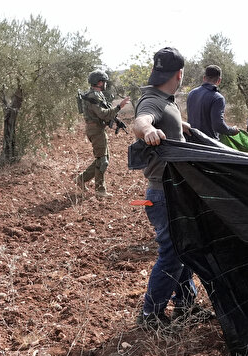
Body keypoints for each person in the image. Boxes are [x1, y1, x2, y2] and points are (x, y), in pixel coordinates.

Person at [131, 47, 199, 329]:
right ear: (180, 74)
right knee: (172, 253)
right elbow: (141, 120)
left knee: (186, 249)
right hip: (163, 193)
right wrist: (147, 131)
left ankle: (185, 307)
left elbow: (160, 117)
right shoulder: (153, 100)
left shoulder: (166, 101)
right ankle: (150, 315)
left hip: (174, 190)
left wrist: (179, 127)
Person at [76, 70, 130, 198]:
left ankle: (81, 179)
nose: (105, 84)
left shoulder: (96, 94)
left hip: (97, 129)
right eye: (104, 81)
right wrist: (119, 107)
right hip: (96, 130)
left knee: (103, 159)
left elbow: (103, 112)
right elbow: (102, 114)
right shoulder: (94, 95)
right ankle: (100, 190)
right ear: (99, 82)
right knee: (102, 160)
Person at [185, 65, 239, 140]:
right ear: (219, 80)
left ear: (204, 78)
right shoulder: (217, 98)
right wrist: (232, 130)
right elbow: (218, 125)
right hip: (208, 145)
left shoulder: (191, 93)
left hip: (190, 142)